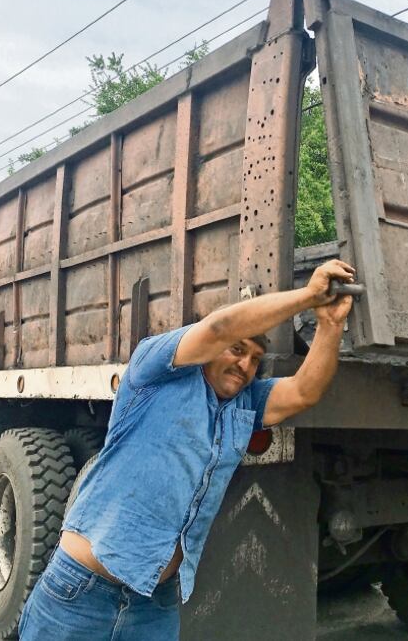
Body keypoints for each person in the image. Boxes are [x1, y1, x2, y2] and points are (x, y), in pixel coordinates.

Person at [18, 259, 357, 641]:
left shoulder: (245, 404)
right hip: (80, 594)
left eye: (255, 359)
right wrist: (310, 296)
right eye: (236, 350)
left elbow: (304, 391)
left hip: (154, 605)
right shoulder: (155, 371)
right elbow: (219, 327)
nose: (244, 365)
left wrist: (330, 323)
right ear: (210, 350)